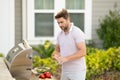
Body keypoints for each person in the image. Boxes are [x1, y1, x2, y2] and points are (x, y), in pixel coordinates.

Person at [52, 8, 87, 80]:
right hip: (65, 71)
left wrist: (66, 58)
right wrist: (55, 55)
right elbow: (57, 50)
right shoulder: (60, 35)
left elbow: (83, 52)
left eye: (62, 22)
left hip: (77, 72)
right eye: (58, 23)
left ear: (68, 19)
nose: (60, 25)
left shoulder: (77, 32)